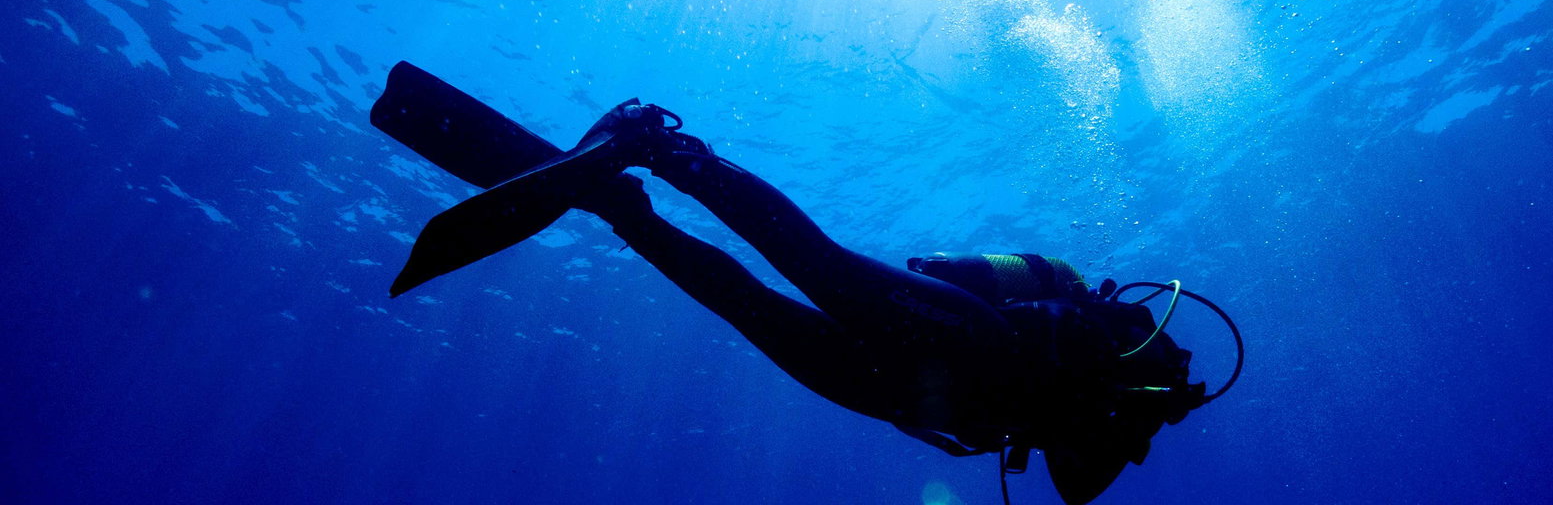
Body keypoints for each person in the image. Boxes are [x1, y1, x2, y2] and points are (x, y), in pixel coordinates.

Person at [371, 62, 1238, 505]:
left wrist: (1136, 425)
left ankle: (623, 207)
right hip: (974, 343)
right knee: (815, 265)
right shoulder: (1125, 353)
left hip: (917, 400)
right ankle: (660, 144)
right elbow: (991, 281)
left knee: (744, 304)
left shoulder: (1125, 414)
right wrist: (1139, 399)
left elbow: (1074, 487)